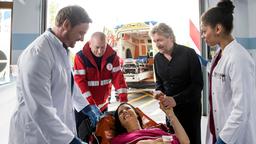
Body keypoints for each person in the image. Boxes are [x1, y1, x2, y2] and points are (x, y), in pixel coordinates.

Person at [8, 6, 101, 144]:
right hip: (33, 136)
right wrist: (70, 141)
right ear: (66, 25)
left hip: (52, 133)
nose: (82, 39)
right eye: (80, 33)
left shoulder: (60, 49)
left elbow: (67, 83)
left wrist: (85, 107)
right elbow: (40, 109)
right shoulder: (38, 54)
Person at [201, 1, 256, 144]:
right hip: (218, 128)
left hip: (234, 136)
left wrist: (224, 140)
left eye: (204, 30)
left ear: (217, 29)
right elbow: (219, 74)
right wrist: (206, 64)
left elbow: (242, 109)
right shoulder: (220, 53)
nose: (202, 35)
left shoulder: (239, 58)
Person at [150, 23, 203, 144]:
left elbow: (197, 85)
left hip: (190, 109)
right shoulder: (157, 58)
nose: (157, 44)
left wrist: (176, 100)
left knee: (192, 139)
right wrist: (158, 92)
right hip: (170, 110)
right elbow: (159, 82)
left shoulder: (189, 54)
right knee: (174, 140)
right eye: (155, 41)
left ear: (171, 37)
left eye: (160, 40)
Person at [73, 32, 128, 113]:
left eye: (103, 47)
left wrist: (123, 101)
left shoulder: (112, 57)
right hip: (84, 107)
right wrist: (90, 104)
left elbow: (118, 79)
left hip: (103, 106)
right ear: (90, 44)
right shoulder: (80, 57)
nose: (100, 51)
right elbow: (80, 83)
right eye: (97, 47)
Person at [111, 102, 190, 144]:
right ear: (120, 123)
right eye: (120, 113)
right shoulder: (119, 139)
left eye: (128, 108)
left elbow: (185, 142)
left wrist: (170, 114)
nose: (124, 111)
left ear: (137, 114)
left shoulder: (156, 130)